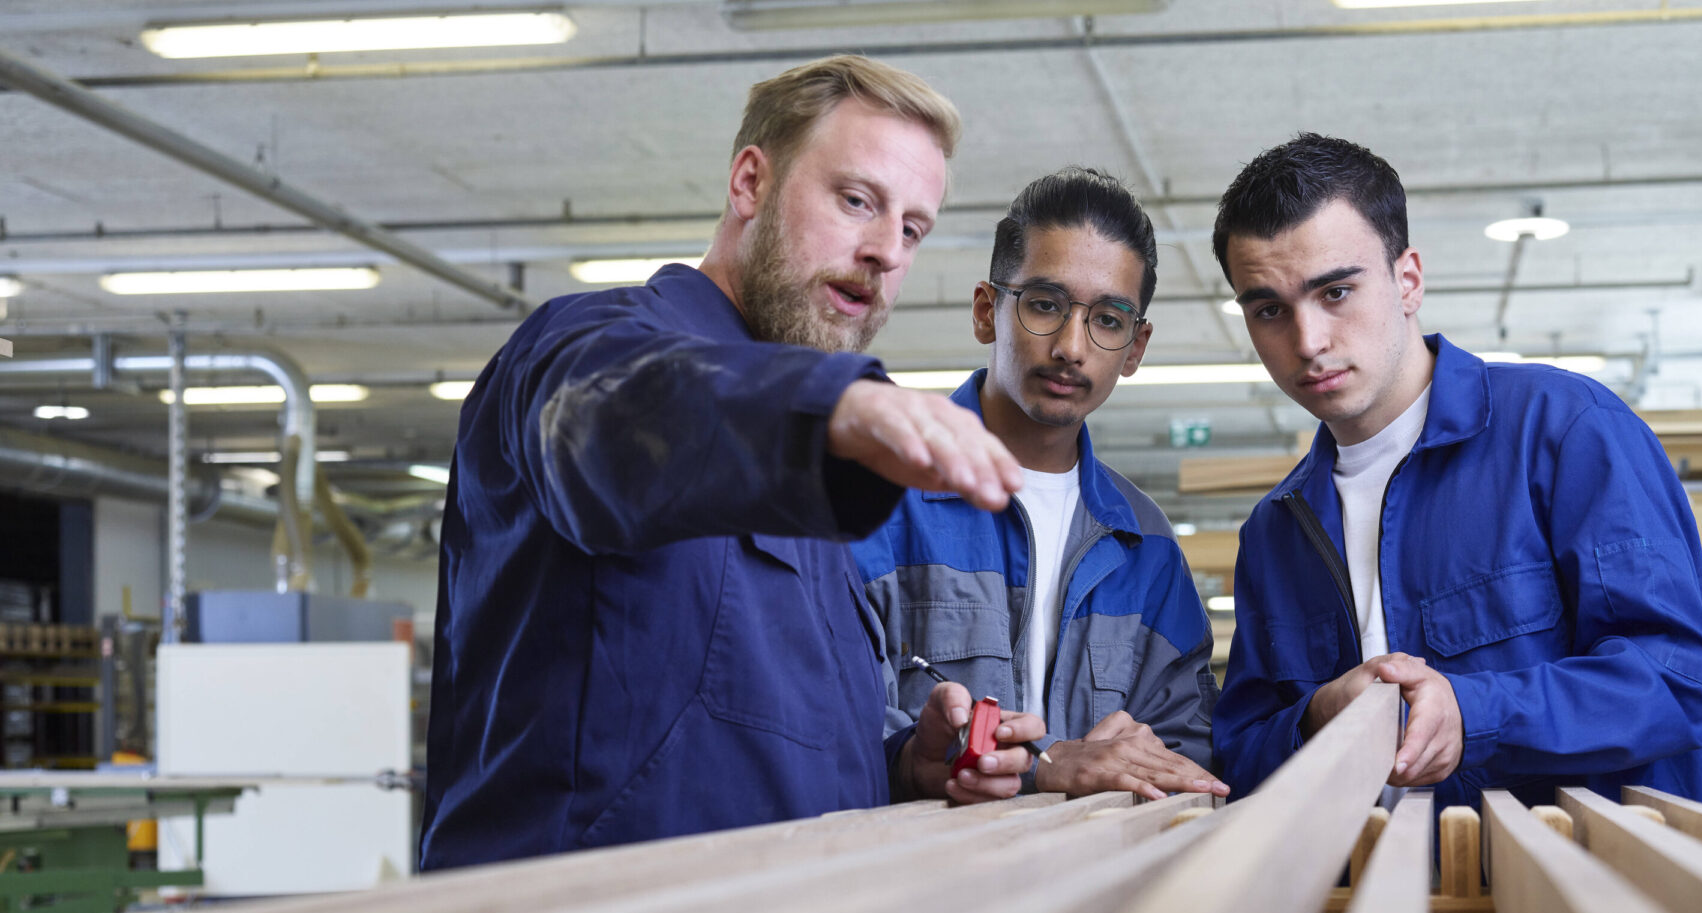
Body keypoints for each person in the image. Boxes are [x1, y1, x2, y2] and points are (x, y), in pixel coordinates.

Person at [419, 56, 1039, 871]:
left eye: (913, 229)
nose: (886, 251)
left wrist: (904, 763)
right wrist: (839, 405)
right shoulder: (587, 350)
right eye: (857, 201)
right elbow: (621, 416)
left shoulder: (814, 481)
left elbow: (744, 735)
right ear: (751, 183)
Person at [1209, 134, 1702, 811]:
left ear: (1408, 279)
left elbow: (1677, 681)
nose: (1307, 342)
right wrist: (1313, 721)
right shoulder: (1277, 531)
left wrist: (1475, 712)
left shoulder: (1565, 431)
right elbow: (1239, 757)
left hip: (1580, 895)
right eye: (1269, 310)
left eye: (1335, 292)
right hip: (1373, 900)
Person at [853, 168, 1224, 804]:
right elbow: (828, 724)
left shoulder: (1148, 547)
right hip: (910, 888)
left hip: (1090, 893)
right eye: (1045, 305)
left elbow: (1188, 754)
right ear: (984, 312)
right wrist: (1040, 766)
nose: (1071, 347)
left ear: (1135, 349)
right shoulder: (878, 494)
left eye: (1108, 319)